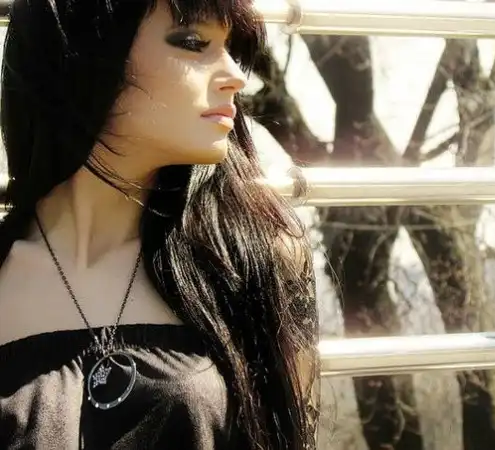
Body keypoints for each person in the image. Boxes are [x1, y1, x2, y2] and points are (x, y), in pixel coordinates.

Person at [0, 0, 319, 449]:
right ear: (85, 53)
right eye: (193, 43)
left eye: (230, 48)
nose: (235, 75)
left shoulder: (253, 262)